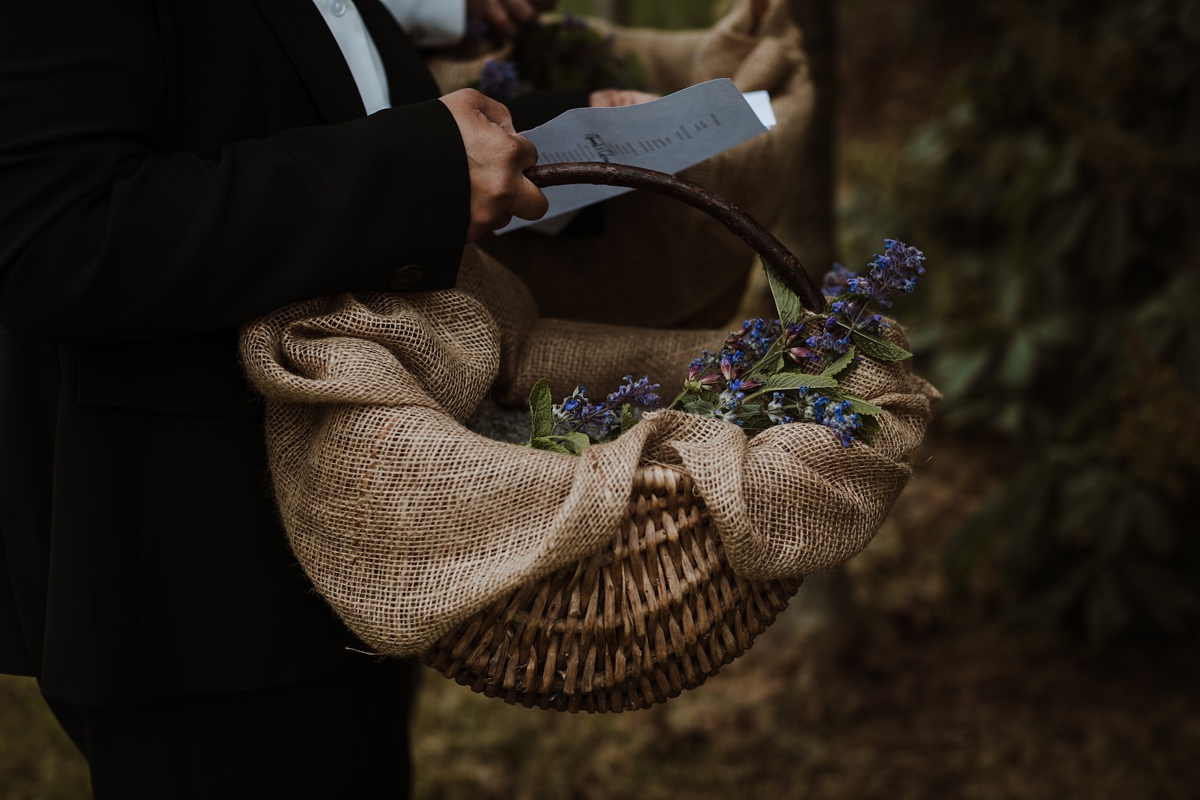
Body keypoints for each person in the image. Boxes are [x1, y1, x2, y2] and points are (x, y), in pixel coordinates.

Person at [0, 0, 592, 796]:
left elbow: (330, 116)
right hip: (198, 580)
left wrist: (560, 132)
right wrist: (421, 171)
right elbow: (60, 242)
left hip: (351, 528)